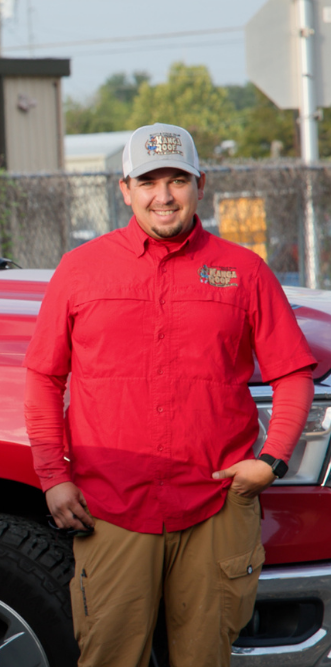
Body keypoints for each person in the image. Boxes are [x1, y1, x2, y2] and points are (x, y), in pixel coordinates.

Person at [23, 122, 316, 667]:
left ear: (200, 184)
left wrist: (270, 462)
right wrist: (53, 477)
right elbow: (44, 377)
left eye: (177, 180)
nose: (163, 196)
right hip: (110, 508)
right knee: (110, 658)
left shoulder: (244, 272)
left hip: (215, 505)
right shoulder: (80, 271)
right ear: (125, 189)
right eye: (149, 180)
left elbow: (294, 372)